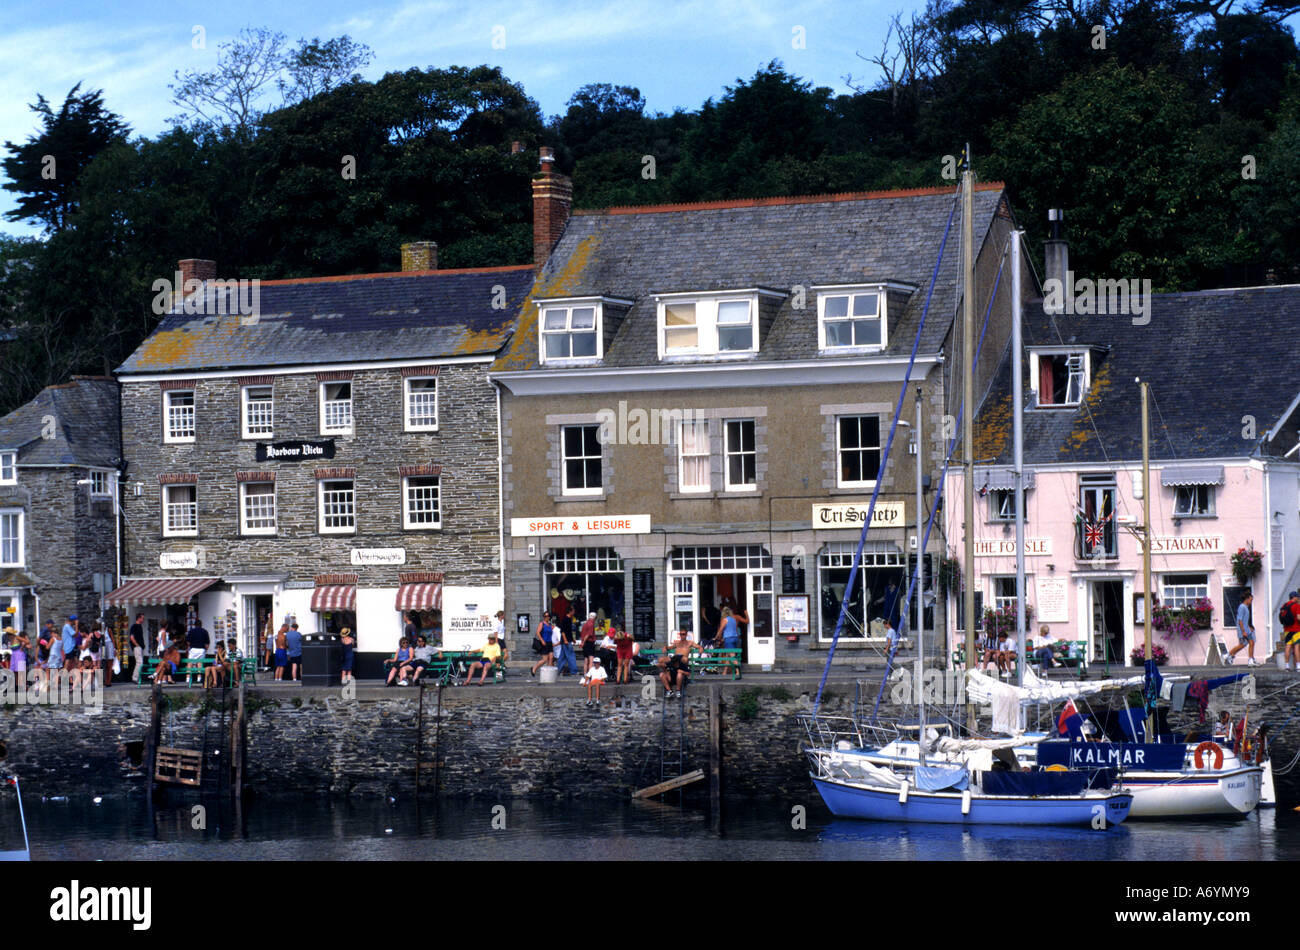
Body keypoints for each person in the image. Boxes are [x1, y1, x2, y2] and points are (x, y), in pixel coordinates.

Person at [1227, 590, 1257, 666]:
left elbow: (1245, 620)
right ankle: (1250, 660)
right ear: (1247, 599)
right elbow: (1240, 620)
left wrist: (1249, 627)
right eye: (1250, 600)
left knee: (1244, 644)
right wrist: (1243, 631)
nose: (1251, 602)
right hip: (1243, 630)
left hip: (1247, 629)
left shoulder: (1246, 607)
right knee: (1250, 643)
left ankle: (1229, 655)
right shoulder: (1242, 607)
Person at [530, 612, 555, 678]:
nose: (547, 617)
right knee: (544, 659)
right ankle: (534, 668)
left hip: (550, 642)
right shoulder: (542, 624)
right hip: (544, 642)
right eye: (545, 616)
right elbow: (537, 632)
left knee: (551, 657)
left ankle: (549, 674)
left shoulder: (550, 625)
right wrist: (542, 640)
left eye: (548, 616)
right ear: (544, 617)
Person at [1282, 591, 1300, 672]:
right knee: (1296, 647)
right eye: (1297, 597)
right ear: (1294, 597)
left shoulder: (1284, 605)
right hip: (1296, 629)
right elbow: (1299, 618)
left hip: (1287, 630)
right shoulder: (1297, 606)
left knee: (1288, 647)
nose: (1298, 598)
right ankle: (1298, 666)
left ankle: (1287, 666)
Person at [128, 613, 146, 681]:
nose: (143, 620)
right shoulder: (134, 626)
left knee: (140, 662)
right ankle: (135, 677)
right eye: (142, 618)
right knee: (139, 662)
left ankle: (138, 678)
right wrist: (137, 645)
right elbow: (132, 637)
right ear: (139, 618)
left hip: (140, 647)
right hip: (137, 647)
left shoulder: (140, 626)